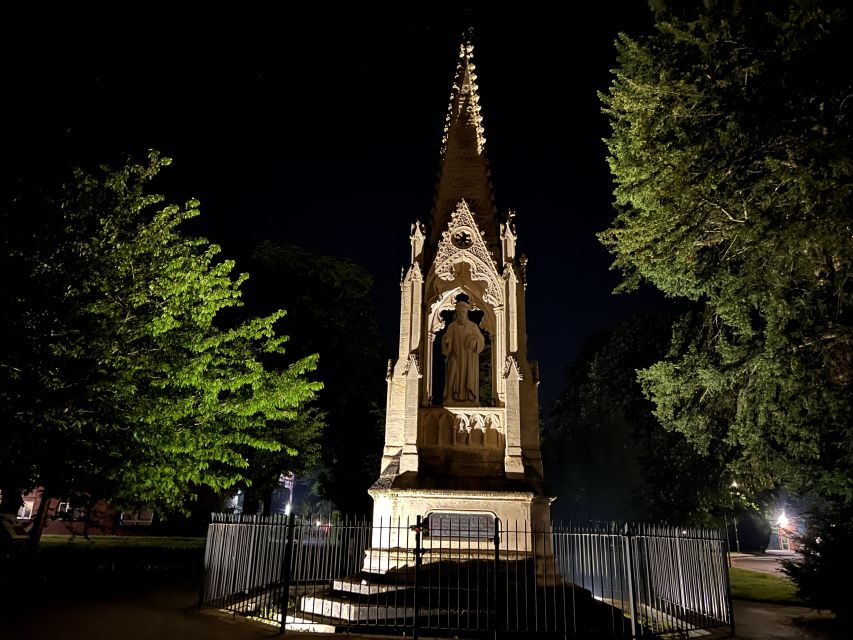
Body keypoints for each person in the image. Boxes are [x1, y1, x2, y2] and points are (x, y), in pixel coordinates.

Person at [442, 300, 485, 404]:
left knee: (468, 376)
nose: (461, 314)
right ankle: (450, 397)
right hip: (455, 356)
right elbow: (446, 338)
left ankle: (469, 397)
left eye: (463, 312)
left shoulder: (473, 326)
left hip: (469, 358)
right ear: (457, 313)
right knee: (452, 375)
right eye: (459, 312)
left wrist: (475, 341)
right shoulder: (452, 326)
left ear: (467, 313)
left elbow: (481, 340)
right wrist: (447, 341)